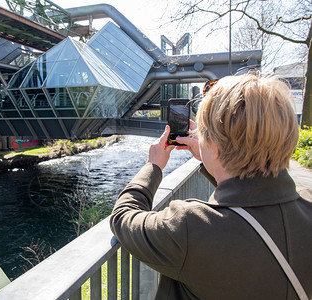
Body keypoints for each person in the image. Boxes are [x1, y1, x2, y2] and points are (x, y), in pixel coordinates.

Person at [110, 73, 312, 299]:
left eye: (205, 133)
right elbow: (249, 198)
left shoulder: (191, 226)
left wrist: (153, 166)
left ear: (214, 146)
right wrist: (214, 160)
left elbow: (123, 217)